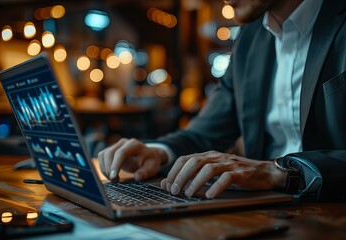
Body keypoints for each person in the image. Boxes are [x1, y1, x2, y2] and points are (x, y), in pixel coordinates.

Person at [98, 0, 346, 201]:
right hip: (265, 214)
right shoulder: (250, 38)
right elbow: (205, 133)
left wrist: (279, 172)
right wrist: (157, 152)